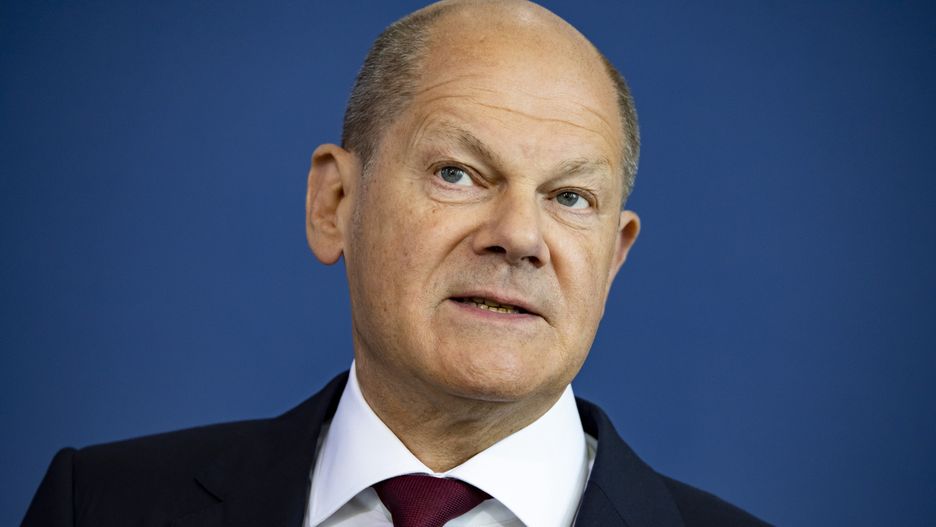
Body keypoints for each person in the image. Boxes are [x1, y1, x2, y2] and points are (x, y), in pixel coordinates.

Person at [23, 1, 769, 525]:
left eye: (571, 196)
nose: (519, 235)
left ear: (613, 256)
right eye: (457, 173)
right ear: (335, 202)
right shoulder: (97, 505)